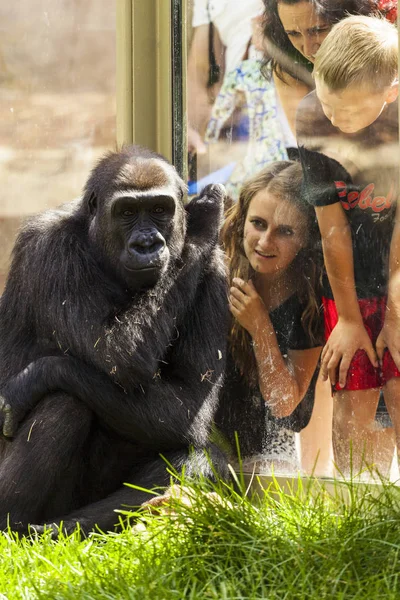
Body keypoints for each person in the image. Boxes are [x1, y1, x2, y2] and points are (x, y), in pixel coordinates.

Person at [296, 15, 399, 477]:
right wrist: (351, 319)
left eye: (351, 112)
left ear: (390, 94)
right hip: (346, 280)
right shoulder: (312, 114)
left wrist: (394, 317)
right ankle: (358, 505)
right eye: (329, 105)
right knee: (352, 389)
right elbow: (330, 224)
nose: (337, 121)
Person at [216, 160, 324, 473]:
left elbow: (284, 405)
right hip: (205, 428)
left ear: (305, 237)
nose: (265, 242)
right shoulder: (217, 266)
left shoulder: (309, 301)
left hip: (269, 439)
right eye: (258, 223)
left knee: (272, 482)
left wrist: (260, 327)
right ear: (242, 221)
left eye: (285, 231)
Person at [260, 0, 396, 134]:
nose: (308, 50)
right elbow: (308, 139)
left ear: (346, 15)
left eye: (318, 30)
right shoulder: (288, 61)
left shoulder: (389, 38)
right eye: (293, 34)